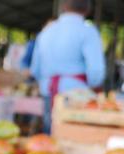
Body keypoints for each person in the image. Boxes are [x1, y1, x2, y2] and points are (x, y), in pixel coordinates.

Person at [31, 0, 106, 134]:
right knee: (73, 139)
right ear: (88, 10)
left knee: (50, 137)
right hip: (77, 96)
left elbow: (35, 69)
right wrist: (93, 86)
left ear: (63, 7)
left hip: (48, 92)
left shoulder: (46, 32)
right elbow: (96, 72)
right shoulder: (88, 31)